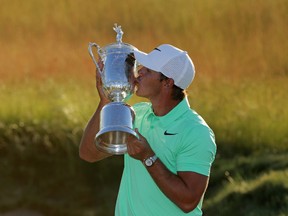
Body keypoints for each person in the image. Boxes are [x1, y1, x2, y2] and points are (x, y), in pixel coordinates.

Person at [79, 44, 217, 216]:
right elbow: (88, 154)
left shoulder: (196, 132)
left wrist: (148, 157)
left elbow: (188, 201)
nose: (140, 72)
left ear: (167, 83)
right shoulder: (137, 114)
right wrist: (106, 101)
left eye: (149, 70)